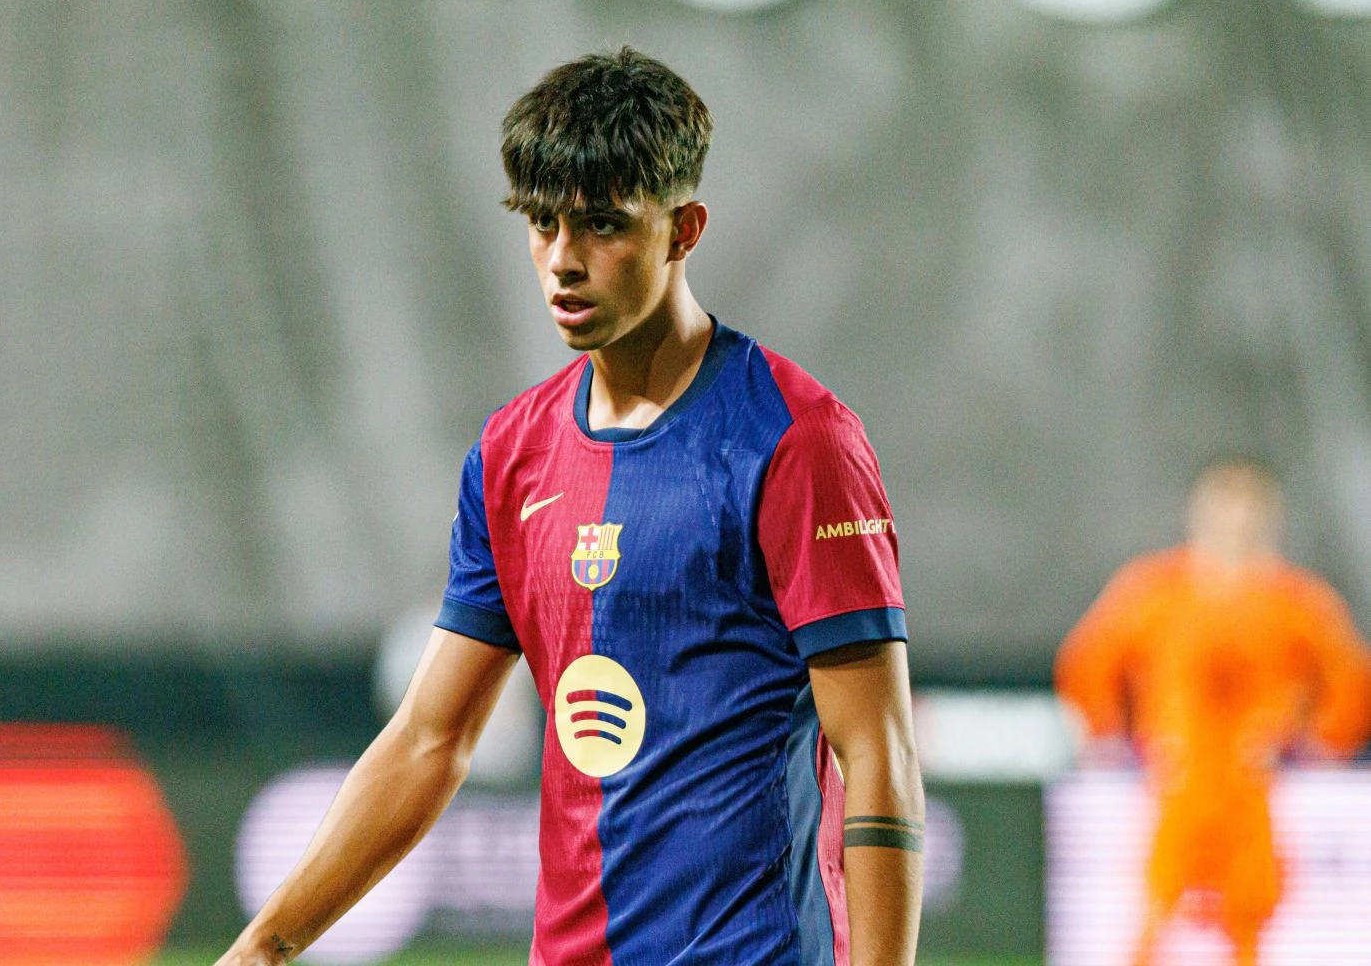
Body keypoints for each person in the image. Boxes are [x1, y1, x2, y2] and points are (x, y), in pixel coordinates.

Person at [216, 47, 923, 966]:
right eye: (541, 223)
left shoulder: (796, 442)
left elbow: (878, 751)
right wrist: (267, 946)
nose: (562, 260)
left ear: (684, 230)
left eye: (601, 225)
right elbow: (431, 739)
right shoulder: (512, 455)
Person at [1055, 458, 1371, 966]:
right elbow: (1088, 661)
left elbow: (1349, 679)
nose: (1235, 533)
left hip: (1254, 783)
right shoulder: (1155, 590)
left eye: (1247, 521)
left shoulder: (1298, 601)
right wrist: (1109, 733)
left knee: (1250, 916)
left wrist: (1321, 744)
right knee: (1157, 908)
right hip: (1178, 779)